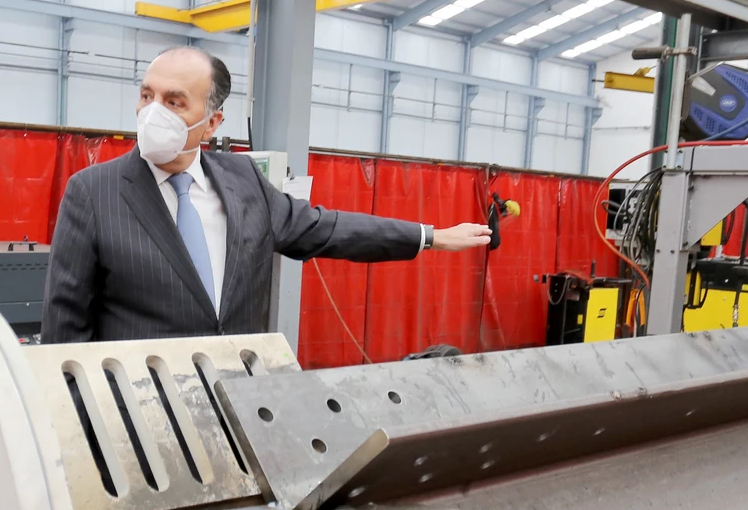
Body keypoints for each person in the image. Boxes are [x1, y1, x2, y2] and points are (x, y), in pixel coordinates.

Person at [43, 46, 491, 343]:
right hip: (138, 416)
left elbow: (325, 229)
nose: (152, 112)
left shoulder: (243, 181)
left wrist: (428, 236)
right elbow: (65, 322)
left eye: (175, 102)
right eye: (147, 96)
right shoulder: (93, 193)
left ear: (213, 122)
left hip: (237, 401)